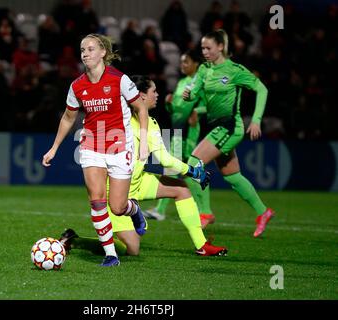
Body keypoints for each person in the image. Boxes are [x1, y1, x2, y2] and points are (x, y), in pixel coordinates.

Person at [60, 75, 227, 257]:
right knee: (132, 249)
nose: (157, 95)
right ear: (141, 96)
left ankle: (201, 245)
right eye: (153, 91)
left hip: (138, 181)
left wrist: (193, 173)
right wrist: (194, 171)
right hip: (115, 191)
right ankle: (74, 240)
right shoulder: (120, 121)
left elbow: (165, 159)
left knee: (182, 190)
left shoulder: (151, 123)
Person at [42, 34, 150, 267]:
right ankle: (111, 254)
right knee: (97, 200)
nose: (85, 53)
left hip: (120, 146)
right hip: (91, 145)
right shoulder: (77, 85)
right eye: (82, 49)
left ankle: (134, 210)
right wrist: (54, 147)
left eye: (90, 49)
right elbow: (69, 117)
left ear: (103, 52)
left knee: (117, 207)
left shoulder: (119, 79)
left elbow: (141, 107)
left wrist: (144, 140)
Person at [183, 29, 275, 238]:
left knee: (194, 162)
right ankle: (263, 212)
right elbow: (194, 92)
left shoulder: (234, 70)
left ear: (221, 47)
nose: (204, 52)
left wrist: (256, 120)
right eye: (202, 48)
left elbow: (262, 89)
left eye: (208, 48)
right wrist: (188, 95)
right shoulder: (204, 70)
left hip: (230, 127)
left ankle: (205, 213)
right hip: (215, 127)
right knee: (232, 176)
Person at [144, 49, 213, 225]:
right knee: (177, 170)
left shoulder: (200, 82)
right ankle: (165, 210)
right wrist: (169, 104)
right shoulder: (183, 82)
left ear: (196, 64)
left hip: (189, 130)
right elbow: (176, 109)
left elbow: (209, 105)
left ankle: (204, 210)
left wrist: (197, 111)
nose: (182, 65)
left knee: (186, 168)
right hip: (177, 128)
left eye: (186, 62)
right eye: (182, 62)